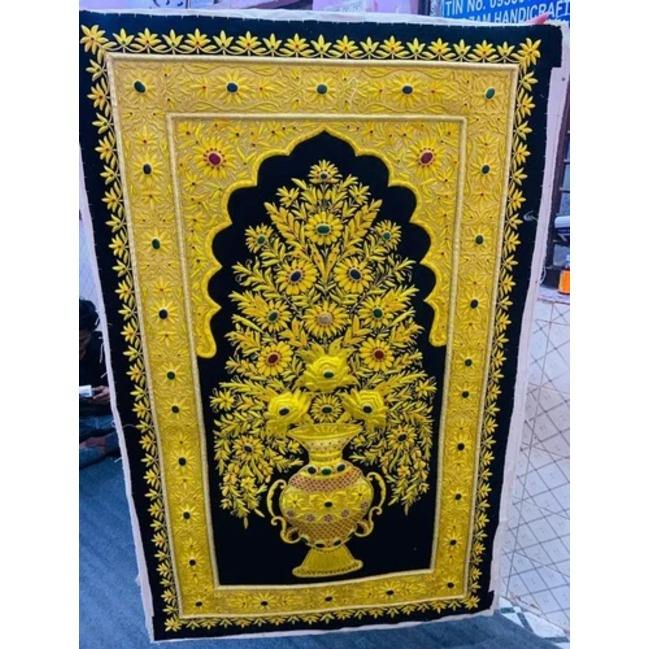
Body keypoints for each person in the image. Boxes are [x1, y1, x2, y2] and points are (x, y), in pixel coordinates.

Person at [79, 299, 119, 467]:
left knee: (139, 426)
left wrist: (112, 393)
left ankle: (101, 444)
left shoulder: (106, 346)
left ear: (91, 332)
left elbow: (131, 387)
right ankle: (101, 445)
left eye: (81, 341)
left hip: (108, 417)